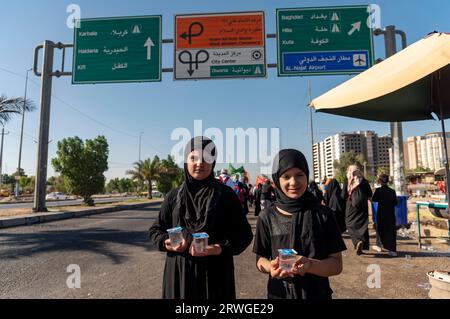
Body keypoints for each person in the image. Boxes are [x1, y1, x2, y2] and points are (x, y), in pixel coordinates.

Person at [148, 136, 253, 300]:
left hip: (216, 277)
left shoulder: (226, 195)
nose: (199, 163)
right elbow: (156, 230)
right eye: (193, 158)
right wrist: (166, 243)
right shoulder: (173, 196)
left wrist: (218, 248)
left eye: (206, 158)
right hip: (179, 276)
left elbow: (244, 235)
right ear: (186, 160)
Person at [253, 149, 346, 299]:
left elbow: (336, 265)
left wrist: (309, 265)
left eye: (299, 175)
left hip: (317, 294)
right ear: (277, 180)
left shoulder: (324, 214)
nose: (294, 182)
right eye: (286, 176)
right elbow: (260, 259)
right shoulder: (267, 216)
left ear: (307, 176)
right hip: (279, 294)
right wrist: (271, 267)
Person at [342, 165, 373, 255]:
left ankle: (357, 242)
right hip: (363, 207)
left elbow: (343, 195)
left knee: (349, 224)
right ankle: (362, 244)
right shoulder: (364, 181)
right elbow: (369, 194)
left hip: (351, 206)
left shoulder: (347, 181)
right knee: (362, 225)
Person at [372, 175, 398, 257]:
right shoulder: (392, 191)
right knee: (391, 231)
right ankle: (392, 250)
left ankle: (379, 246)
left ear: (380, 181)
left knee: (380, 229)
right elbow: (395, 202)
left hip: (381, 213)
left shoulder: (378, 190)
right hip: (390, 214)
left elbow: (374, 199)